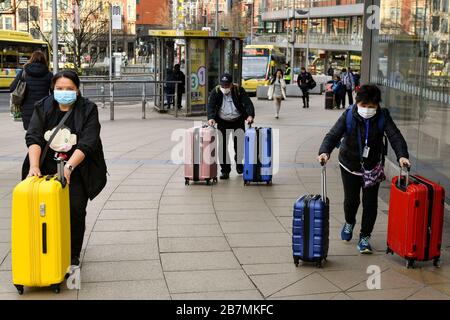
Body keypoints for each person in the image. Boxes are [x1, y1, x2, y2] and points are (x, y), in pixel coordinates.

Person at [23, 70, 107, 266]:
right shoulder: (43, 106)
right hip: (45, 166)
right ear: (53, 89)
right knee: (41, 210)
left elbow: (88, 141)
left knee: (75, 209)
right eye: (60, 88)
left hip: (76, 167)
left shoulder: (88, 109)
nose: (64, 92)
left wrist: (69, 167)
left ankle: (72, 253)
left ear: (77, 90)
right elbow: (33, 137)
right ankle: (45, 248)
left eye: (69, 88)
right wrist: (34, 166)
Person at [317, 84, 410, 254]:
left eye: (372, 107)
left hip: (372, 167)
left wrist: (402, 155)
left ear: (377, 106)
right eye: (364, 106)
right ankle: (349, 221)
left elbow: (395, 136)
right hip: (349, 165)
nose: (367, 110)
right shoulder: (349, 115)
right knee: (352, 201)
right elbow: (333, 134)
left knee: (370, 204)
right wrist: (324, 151)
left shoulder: (383, 116)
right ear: (357, 103)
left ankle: (365, 237)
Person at [207, 73, 255, 180]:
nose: (225, 88)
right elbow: (211, 105)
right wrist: (211, 118)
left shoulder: (239, 90)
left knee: (239, 145)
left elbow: (248, 103)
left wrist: (250, 116)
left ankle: (239, 163)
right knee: (222, 147)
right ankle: (225, 170)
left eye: (227, 86)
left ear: (231, 84)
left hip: (237, 120)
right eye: (223, 86)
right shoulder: (216, 91)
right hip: (223, 121)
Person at [10, 50, 53, 130]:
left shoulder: (24, 72)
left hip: (27, 110)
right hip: (43, 109)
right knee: (42, 133)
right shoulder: (49, 74)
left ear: (31, 59)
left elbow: (12, 88)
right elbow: (54, 93)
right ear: (44, 60)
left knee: (30, 135)